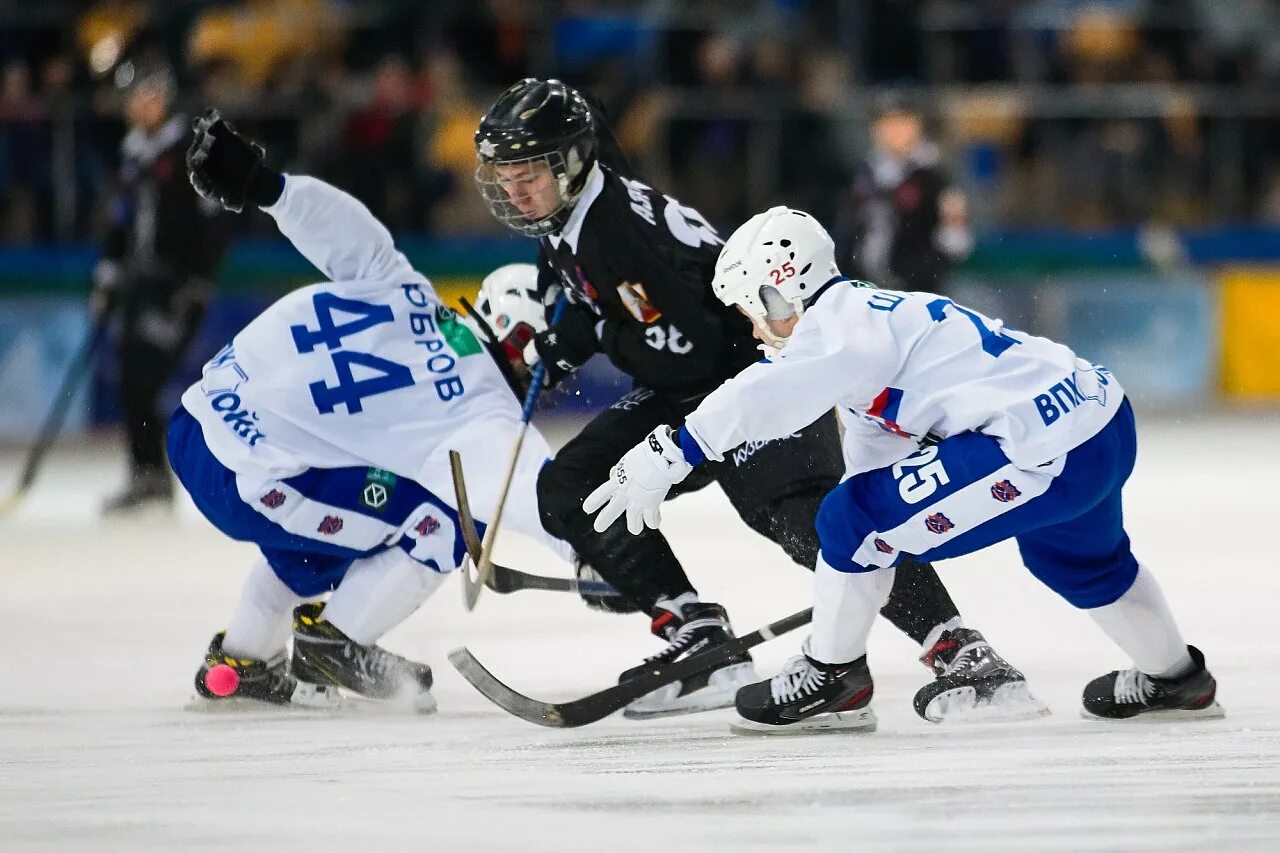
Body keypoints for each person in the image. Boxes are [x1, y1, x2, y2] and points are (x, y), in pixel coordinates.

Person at [474, 78, 1043, 722]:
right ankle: (699, 641)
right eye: (507, 173)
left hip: (752, 374)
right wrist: (560, 348)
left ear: (571, 165)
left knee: (811, 522)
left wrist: (599, 338)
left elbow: (682, 350)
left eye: (531, 173)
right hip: (694, 384)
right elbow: (603, 304)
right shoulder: (574, 213)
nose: (516, 188)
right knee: (573, 488)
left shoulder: (616, 229)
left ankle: (959, 650)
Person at [584, 205, 1222, 733]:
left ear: (783, 285)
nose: (754, 328)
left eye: (755, 307)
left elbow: (766, 395)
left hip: (1043, 448)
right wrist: (857, 568)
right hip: (1099, 419)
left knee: (846, 520)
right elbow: (873, 484)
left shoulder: (837, 328)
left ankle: (832, 677)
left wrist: (671, 451)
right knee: (1077, 559)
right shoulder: (873, 324)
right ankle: (1177, 679)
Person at [171, 110, 568, 708]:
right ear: (521, 331)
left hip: (196, 423)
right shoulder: (481, 404)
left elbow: (344, 228)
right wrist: (604, 558)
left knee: (333, 516)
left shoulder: (402, 285)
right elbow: (537, 493)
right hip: (249, 476)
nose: (554, 369)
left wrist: (267, 187)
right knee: (448, 519)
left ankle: (243, 663)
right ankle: (335, 645)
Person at [94, 61, 230, 515]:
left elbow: (215, 224)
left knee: (146, 373)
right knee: (132, 374)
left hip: (175, 286)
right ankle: (145, 473)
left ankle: (154, 472)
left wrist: (198, 280)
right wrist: (107, 276)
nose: (138, 105)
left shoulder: (187, 150)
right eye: (132, 98)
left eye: (146, 95)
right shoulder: (135, 154)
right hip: (140, 284)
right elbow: (120, 225)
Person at [831, 95, 972, 296]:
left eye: (901, 122)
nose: (894, 131)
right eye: (887, 123)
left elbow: (956, 243)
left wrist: (926, 271)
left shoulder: (934, 176)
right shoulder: (863, 174)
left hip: (915, 292)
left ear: (917, 126)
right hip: (862, 290)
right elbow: (847, 228)